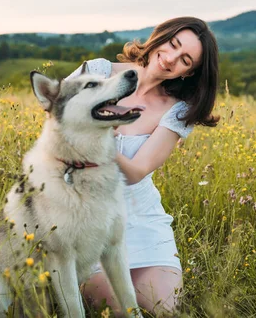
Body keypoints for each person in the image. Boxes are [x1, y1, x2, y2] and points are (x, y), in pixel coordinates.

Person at [66, 16, 219, 316]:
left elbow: (137, 171)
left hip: (140, 217)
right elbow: (55, 114)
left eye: (185, 59)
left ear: (189, 72)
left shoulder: (178, 110)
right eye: (173, 44)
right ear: (160, 37)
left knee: (162, 308)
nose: (171, 58)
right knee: (124, 310)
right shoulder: (99, 70)